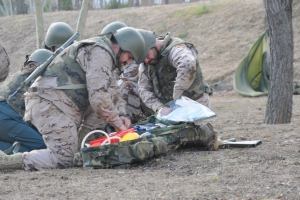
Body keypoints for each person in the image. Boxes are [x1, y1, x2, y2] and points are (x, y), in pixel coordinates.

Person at [0, 27, 146, 171]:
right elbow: (99, 98)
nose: (128, 62)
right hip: (49, 104)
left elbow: (112, 90)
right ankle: (7, 161)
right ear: (124, 47)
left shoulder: (104, 54)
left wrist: (120, 114)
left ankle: (82, 147)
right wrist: (118, 125)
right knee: (65, 158)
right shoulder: (101, 53)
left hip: (60, 104)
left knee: (105, 109)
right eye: (130, 57)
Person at [138, 31, 218, 149]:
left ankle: (206, 133)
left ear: (153, 45)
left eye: (146, 55)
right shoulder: (146, 63)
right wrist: (160, 108)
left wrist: (176, 98)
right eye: (142, 59)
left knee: (192, 141)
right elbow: (143, 90)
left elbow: (187, 64)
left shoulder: (176, 49)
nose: (145, 61)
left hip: (195, 106)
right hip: (170, 112)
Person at [0, 49, 53, 154]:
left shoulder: (21, 75)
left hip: (6, 117)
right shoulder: (37, 78)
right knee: (43, 147)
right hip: (6, 118)